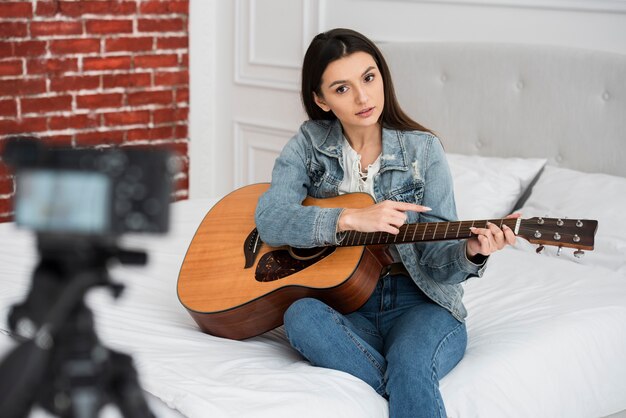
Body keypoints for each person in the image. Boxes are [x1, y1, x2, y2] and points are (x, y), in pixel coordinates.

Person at [254, 28, 517, 418]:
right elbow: (270, 218)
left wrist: (471, 251)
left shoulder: (422, 150)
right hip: (343, 303)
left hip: (420, 302)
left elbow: (438, 261)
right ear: (320, 99)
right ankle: (398, 382)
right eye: (341, 88)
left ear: (382, 76)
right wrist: (349, 217)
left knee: (411, 365)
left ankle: (399, 375)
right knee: (299, 316)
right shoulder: (309, 144)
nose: (363, 97)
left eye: (368, 77)